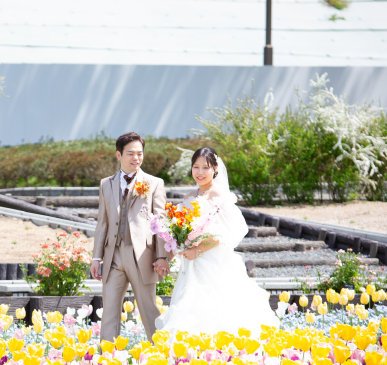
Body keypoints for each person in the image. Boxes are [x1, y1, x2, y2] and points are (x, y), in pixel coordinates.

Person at [155, 147, 279, 336]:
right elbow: (178, 233)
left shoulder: (219, 195)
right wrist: (168, 256)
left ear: (215, 169)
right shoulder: (189, 197)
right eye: (196, 167)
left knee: (214, 309)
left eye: (205, 167)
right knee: (189, 308)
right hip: (189, 264)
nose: (200, 172)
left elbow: (229, 233)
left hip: (213, 263)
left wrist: (198, 249)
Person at [90, 132, 171, 342]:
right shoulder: (105, 184)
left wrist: (163, 256)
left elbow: (161, 222)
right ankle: (107, 360)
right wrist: (96, 258)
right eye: (130, 154)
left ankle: (161, 355)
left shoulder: (154, 183)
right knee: (109, 311)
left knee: (149, 310)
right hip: (113, 256)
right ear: (118, 155)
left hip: (143, 255)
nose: (136, 158)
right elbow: (102, 223)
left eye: (140, 154)